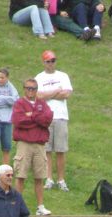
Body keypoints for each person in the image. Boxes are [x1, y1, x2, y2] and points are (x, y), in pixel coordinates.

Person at [12, 78, 54, 216]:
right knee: (20, 175)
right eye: (28, 88)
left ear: (37, 90)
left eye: (34, 88)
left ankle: (40, 206)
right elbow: (19, 121)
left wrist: (32, 115)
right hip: (24, 143)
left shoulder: (42, 103)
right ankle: (17, 206)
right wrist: (37, 118)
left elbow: (47, 119)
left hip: (40, 145)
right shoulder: (19, 103)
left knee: (39, 176)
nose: (31, 91)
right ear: (24, 88)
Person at [36, 51, 74, 193]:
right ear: (43, 62)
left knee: (60, 150)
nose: (51, 63)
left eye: (53, 61)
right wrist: (56, 91)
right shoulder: (39, 77)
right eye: (48, 61)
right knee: (46, 150)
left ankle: (61, 179)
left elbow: (66, 94)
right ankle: (49, 178)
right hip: (45, 117)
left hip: (61, 116)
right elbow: (38, 96)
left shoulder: (63, 76)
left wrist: (48, 94)